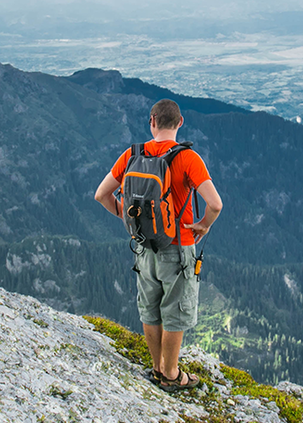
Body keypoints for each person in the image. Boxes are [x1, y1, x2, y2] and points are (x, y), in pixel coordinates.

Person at [93, 99, 223, 391]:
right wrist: (204, 224)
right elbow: (215, 204)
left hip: (143, 246)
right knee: (175, 310)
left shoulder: (132, 154)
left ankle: (156, 368)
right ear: (180, 123)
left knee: (150, 308)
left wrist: (128, 219)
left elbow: (102, 195)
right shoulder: (188, 158)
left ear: (152, 121)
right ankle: (172, 374)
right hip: (178, 247)